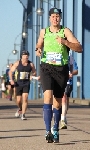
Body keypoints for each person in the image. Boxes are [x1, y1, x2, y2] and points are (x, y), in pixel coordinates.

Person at [35, 8, 82, 143]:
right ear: (49, 18)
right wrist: (38, 49)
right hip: (46, 67)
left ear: (60, 18)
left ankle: (55, 128)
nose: (55, 18)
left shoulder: (65, 31)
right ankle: (47, 130)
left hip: (61, 69)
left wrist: (65, 42)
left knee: (57, 101)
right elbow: (39, 43)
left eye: (57, 16)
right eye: (53, 16)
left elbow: (79, 47)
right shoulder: (44, 31)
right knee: (47, 96)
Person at [9, 50, 37, 120]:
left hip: (26, 83)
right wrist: (11, 80)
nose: (26, 57)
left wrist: (32, 75)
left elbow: (34, 72)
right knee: (18, 100)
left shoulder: (31, 64)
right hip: (18, 83)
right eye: (24, 55)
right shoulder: (18, 63)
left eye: (27, 55)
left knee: (25, 98)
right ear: (21, 56)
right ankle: (20, 109)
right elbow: (10, 72)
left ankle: (23, 114)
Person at [60, 54, 78, 129]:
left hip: (68, 82)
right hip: (58, 81)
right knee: (61, 99)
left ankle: (63, 117)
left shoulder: (70, 58)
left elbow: (76, 70)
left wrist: (71, 73)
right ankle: (62, 118)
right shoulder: (55, 56)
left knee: (65, 99)